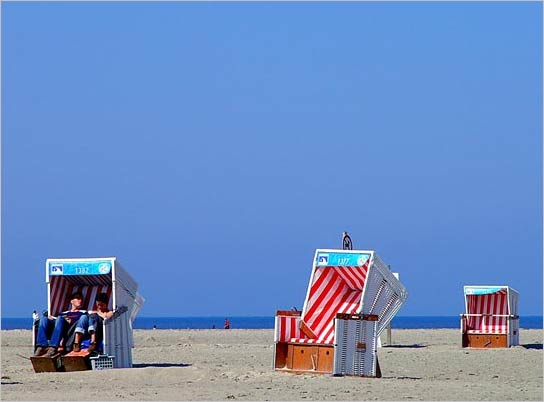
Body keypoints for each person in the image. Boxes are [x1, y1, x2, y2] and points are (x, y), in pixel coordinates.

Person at [34, 291, 89, 357]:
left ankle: (53, 347)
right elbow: (57, 321)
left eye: (81, 299)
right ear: (71, 301)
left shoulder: (83, 313)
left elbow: (81, 323)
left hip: (70, 330)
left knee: (60, 318)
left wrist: (69, 321)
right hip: (58, 328)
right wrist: (51, 318)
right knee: (44, 319)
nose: (80, 300)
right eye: (77, 298)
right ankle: (41, 346)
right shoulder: (64, 313)